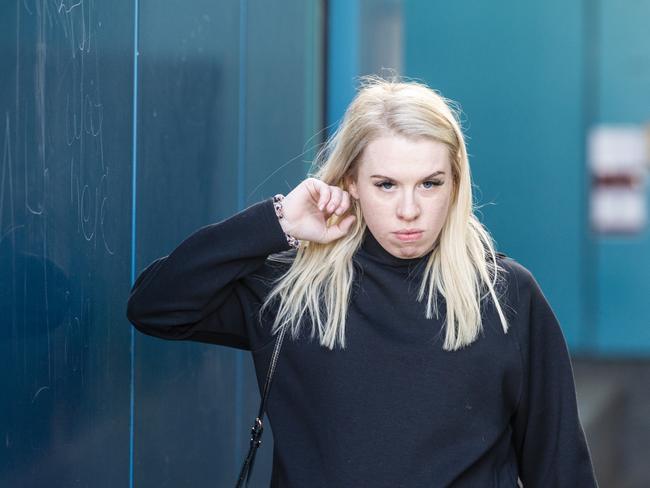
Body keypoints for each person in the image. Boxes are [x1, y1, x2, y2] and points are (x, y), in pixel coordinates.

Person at [126, 75, 598, 487]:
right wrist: (276, 224)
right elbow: (155, 306)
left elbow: (558, 466)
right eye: (386, 184)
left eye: (429, 184)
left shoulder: (503, 295)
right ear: (351, 182)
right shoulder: (294, 291)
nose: (409, 210)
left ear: (455, 182)